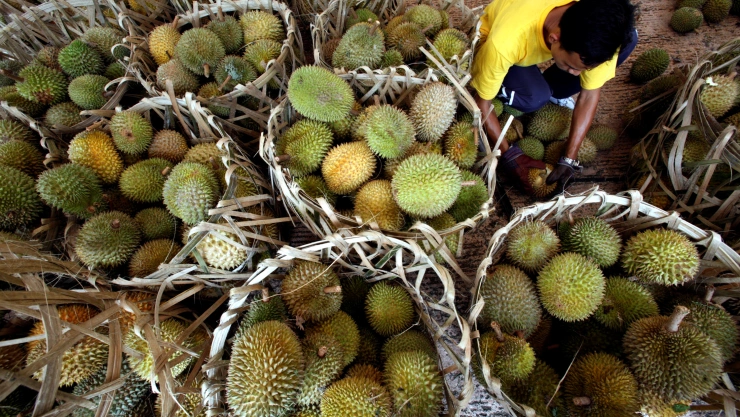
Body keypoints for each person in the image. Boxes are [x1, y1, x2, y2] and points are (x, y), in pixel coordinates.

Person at [470, 0, 637, 195]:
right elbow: (481, 103)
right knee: (534, 98)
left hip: (550, 43)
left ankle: (550, 86)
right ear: (554, 38)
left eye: (582, 69)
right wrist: (509, 154)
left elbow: (589, 95)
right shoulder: (505, 43)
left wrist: (569, 159)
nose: (575, 74)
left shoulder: (593, 31)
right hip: (495, 38)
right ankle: (519, 86)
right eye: (570, 66)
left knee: (629, 38)